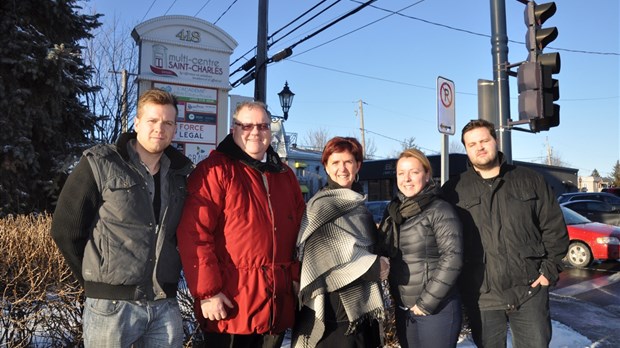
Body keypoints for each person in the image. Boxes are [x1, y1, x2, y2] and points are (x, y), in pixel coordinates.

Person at [50, 88, 193, 347]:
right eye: (152, 120)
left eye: (168, 123)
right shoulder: (101, 162)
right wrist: (96, 282)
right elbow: (66, 229)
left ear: (174, 129)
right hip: (111, 308)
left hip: (165, 305)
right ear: (137, 123)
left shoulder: (181, 175)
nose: (159, 128)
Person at [176, 101, 305, 348]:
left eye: (263, 126)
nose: (255, 132)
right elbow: (194, 233)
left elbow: (302, 233)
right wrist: (208, 293)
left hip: (275, 305)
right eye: (246, 125)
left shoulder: (284, 175)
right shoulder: (214, 171)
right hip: (230, 307)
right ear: (233, 129)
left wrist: (297, 276)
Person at [441, 119, 569, 348]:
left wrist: (548, 271)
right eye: (472, 144)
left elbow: (554, 229)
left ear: (495, 141)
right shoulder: (454, 190)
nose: (479, 147)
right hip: (482, 296)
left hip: (530, 290)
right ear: (466, 149)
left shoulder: (530, 180)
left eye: (484, 140)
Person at [292, 136, 389, 348]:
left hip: (361, 309)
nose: (342, 168)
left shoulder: (358, 205)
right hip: (333, 313)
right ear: (326, 167)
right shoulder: (321, 207)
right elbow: (325, 258)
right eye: (335, 162)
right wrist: (375, 266)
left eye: (348, 162)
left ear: (358, 166)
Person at [378, 148, 463, 348]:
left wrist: (425, 303)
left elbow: (453, 258)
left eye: (414, 172)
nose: (407, 179)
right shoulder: (394, 211)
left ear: (426, 175)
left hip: (436, 309)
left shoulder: (439, 209)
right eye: (401, 173)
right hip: (405, 307)